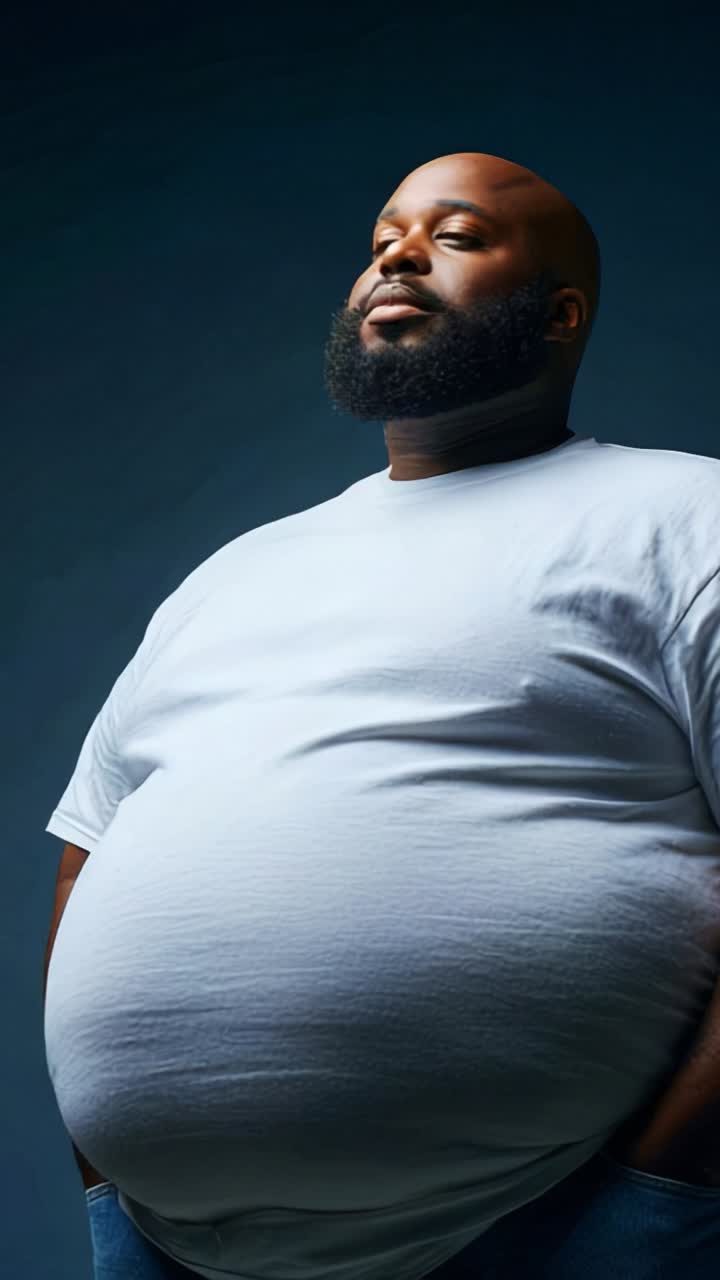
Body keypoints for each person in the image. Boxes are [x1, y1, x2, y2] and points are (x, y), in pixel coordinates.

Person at [43, 152, 720, 1280]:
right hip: (166, 1248)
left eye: (454, 236)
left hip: (566, 1233)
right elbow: (94, 845)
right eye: (382, 240)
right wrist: (110, 1182)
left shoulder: (685, 517)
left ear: (558, 312)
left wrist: (668, 1191)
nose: (398, 254)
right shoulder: (234, 571)